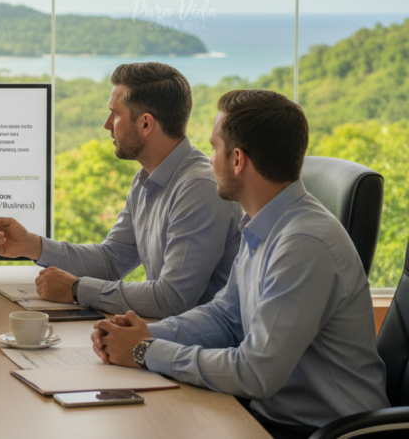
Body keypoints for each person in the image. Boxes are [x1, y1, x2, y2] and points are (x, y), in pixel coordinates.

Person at [91, 89, 388, 439]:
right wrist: (140, 335)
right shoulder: (263, 224)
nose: (208, 160)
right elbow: (225, 316)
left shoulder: (302, 244)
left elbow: (255, 373)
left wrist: (145, 350)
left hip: (322, 430)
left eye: (214, 148)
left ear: (237, 160)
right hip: (269, 415)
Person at [0, 62, 241, 318]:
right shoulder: (145, 180)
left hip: (205, 351)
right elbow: (112, 261)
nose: (106, 124)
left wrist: (76, 289)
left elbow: (172, 298)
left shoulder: (199, 188)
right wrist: (31, 245)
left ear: (146, 124)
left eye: (115, 114)